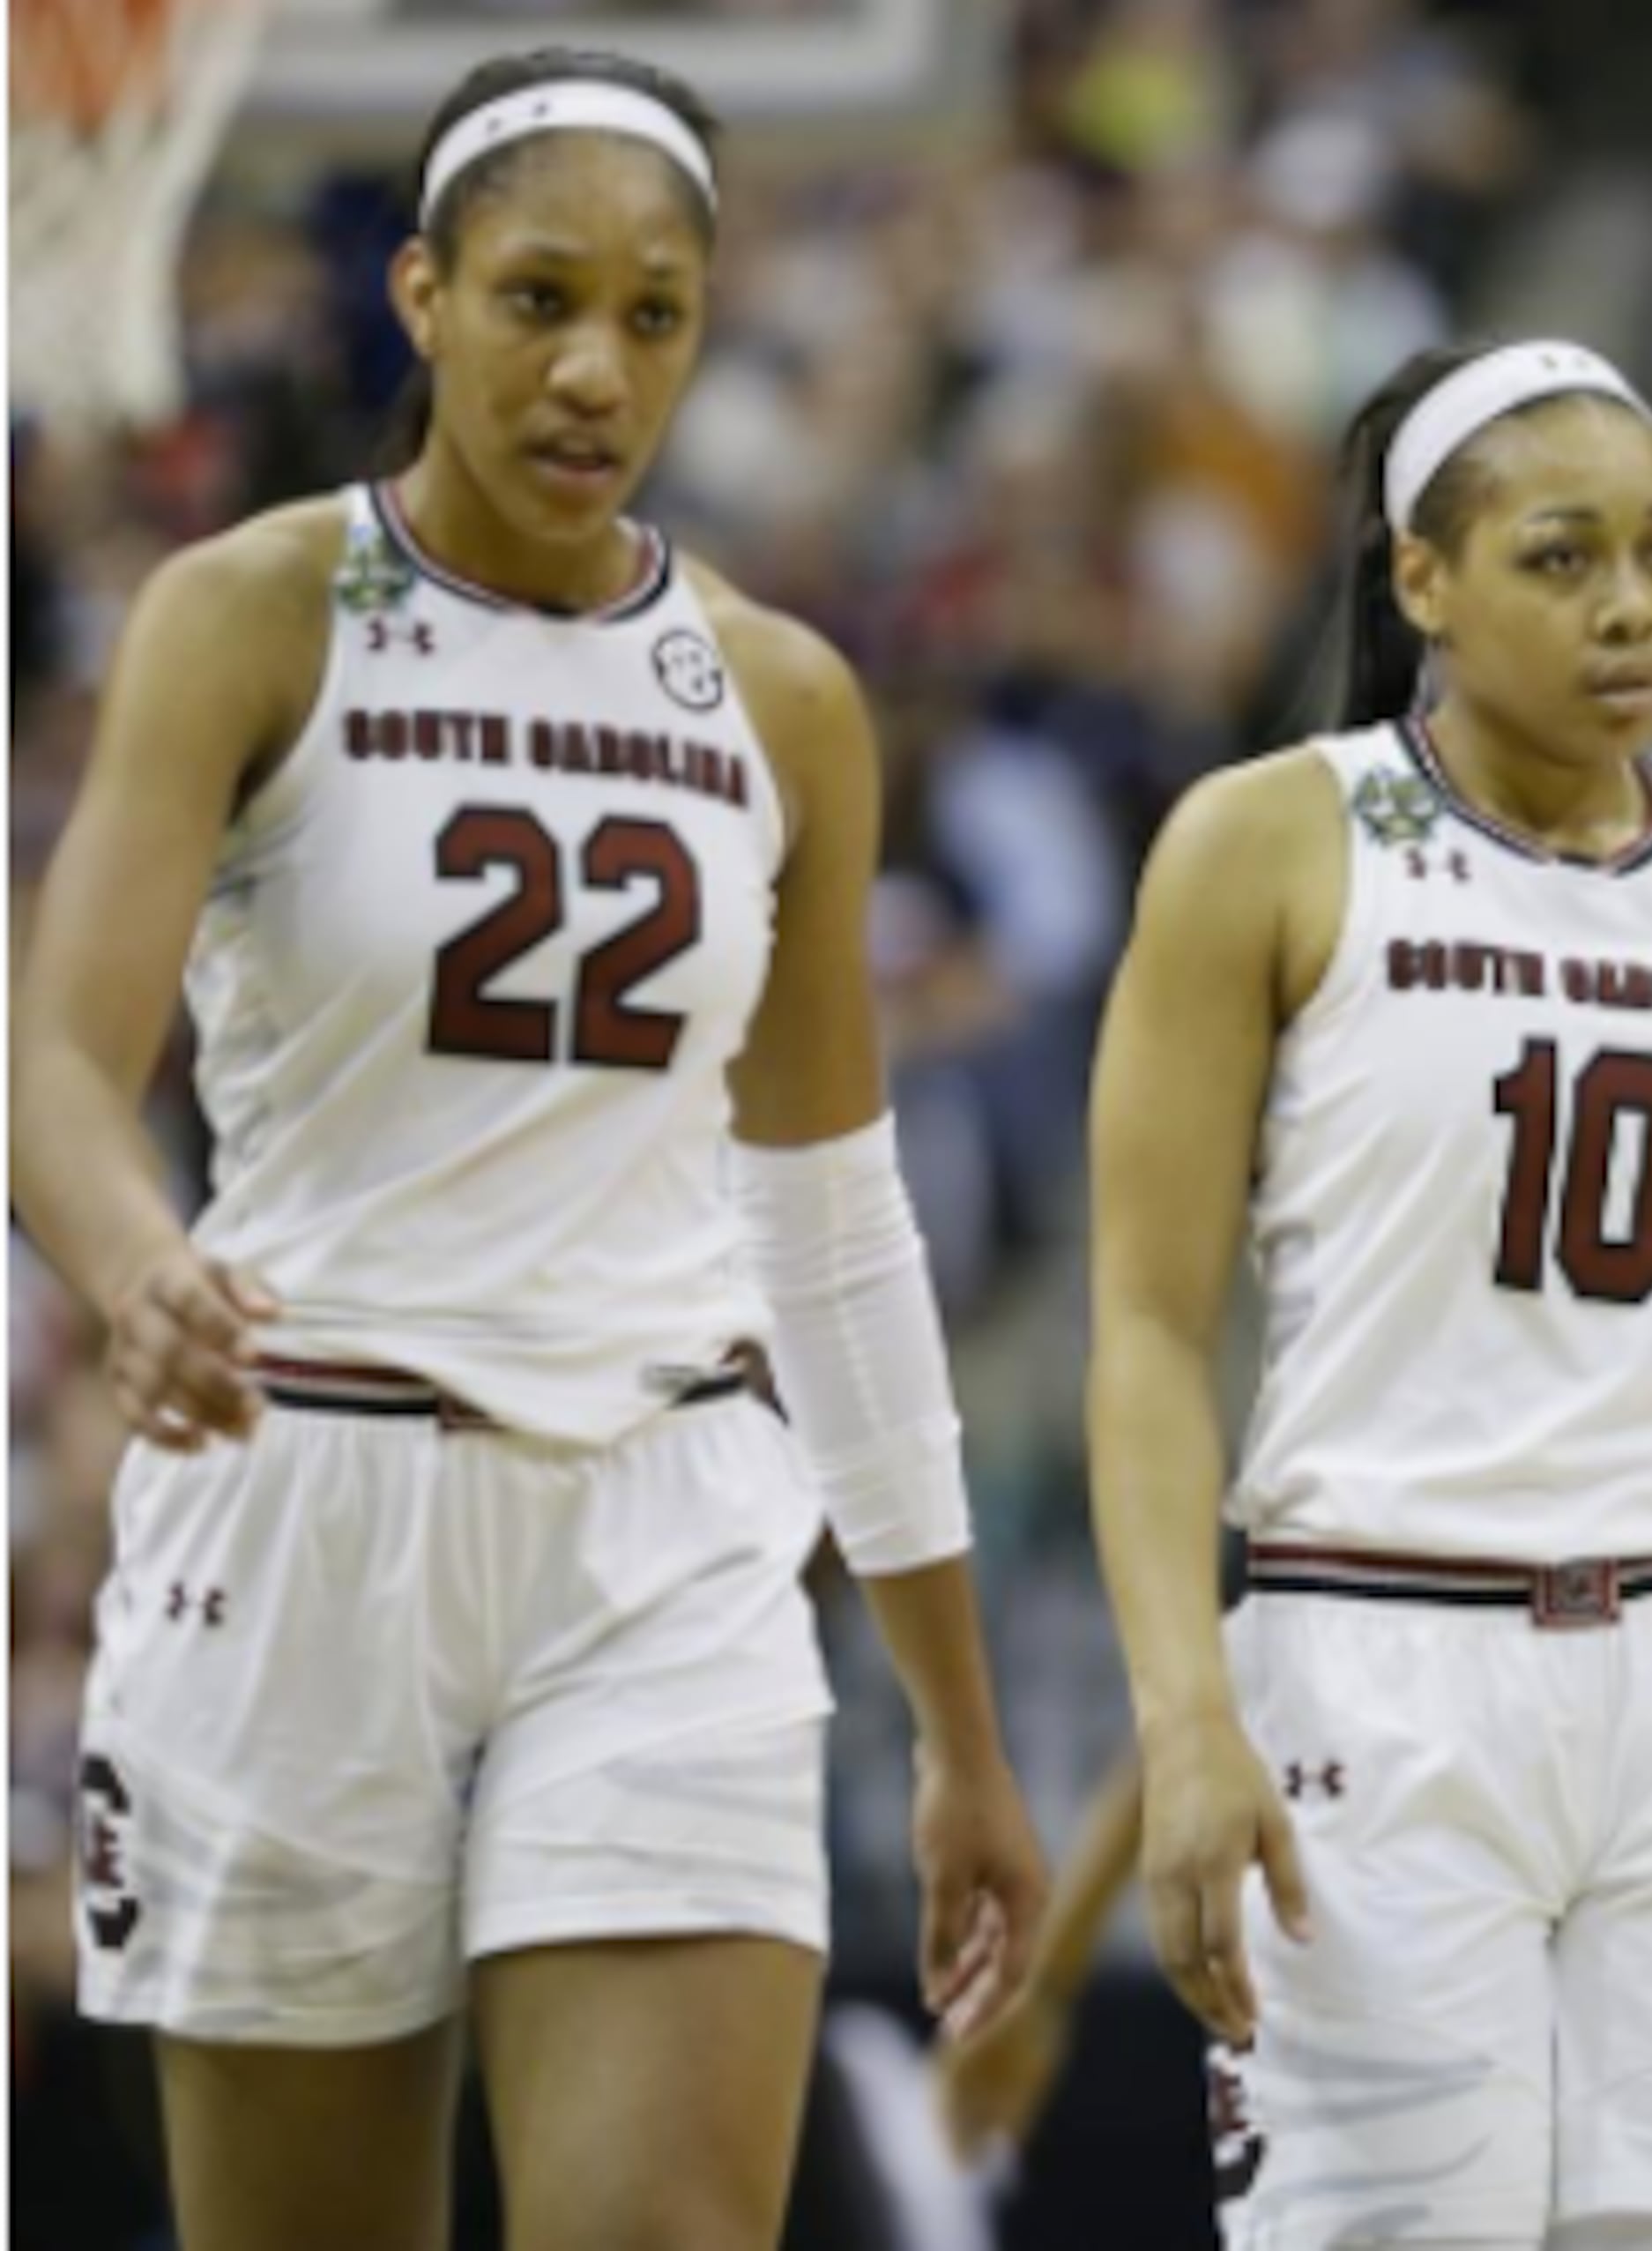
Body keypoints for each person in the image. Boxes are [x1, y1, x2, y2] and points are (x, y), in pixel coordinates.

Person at [6, 49, 1048, 2251]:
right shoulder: (252, 610)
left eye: (653, 314)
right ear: (422, 293)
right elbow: (54, 1061)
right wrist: (129, 1258)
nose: (594, 365)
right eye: (539, 298)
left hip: (659, 1525)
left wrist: (954, 1710)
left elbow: (838, 1221)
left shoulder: (779, 695)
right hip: (308, 1498)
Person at [1084, 338, 1652, 2251]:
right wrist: (1186, 1711)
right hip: (1383, 1662)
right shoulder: (1268, 841)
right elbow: (1152, 1332)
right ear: (1422, 576)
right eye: (1564, 557)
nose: (1629, 608)